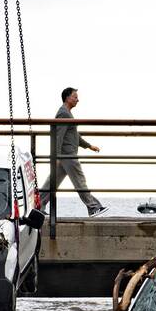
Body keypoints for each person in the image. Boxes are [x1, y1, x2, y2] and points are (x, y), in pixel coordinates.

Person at [39, 87, 107, 216]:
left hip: (64, 156)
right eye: (75, 97)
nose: (78, 100)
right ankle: (93, 207)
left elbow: (74, 135)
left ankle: (38, 206)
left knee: (52, 182)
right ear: (67, 98)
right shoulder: (64, 113)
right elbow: (58, 136)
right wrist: (57, 155)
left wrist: (89, 146)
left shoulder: (67, 113)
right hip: (67, 155)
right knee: (80, 181)